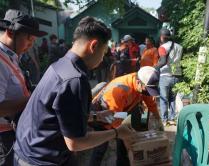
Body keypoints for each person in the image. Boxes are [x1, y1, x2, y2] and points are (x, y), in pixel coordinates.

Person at [13, 16, 135, 166]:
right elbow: (75, 142)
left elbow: (59, 116)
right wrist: (117, 133)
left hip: (25, 150)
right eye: (103, 52)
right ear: (94, 46)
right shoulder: (75, 80)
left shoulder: (60, 65)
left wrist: (96, 116)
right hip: (42, 159)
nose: (102, 59)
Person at [0, 9, 47, 166]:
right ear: (10, 32)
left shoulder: (12, 55)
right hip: (3, 139)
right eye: (29, 39)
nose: (30, 45)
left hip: (14, 131)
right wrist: (34, 99)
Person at [89, 66, 161, 166]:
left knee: (123, 143)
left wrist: (158, 120)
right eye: (147, 89)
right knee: (100, 148)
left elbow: (150, 103)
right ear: (138, 83)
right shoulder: (119, 90)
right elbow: (115, 121)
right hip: (104, 114)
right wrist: (129, 140)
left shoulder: (143, 84)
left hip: (121, 111)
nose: (148, 92)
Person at [155, 28, 183, 126]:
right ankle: (172, 119)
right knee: (173, 98)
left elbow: (162, 61)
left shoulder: (162, 47)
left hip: (165, 75)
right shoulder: (179, 47)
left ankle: (164, 120)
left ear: (162, 37)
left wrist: (155, 68)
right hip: (177, 75)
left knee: (163, 99)